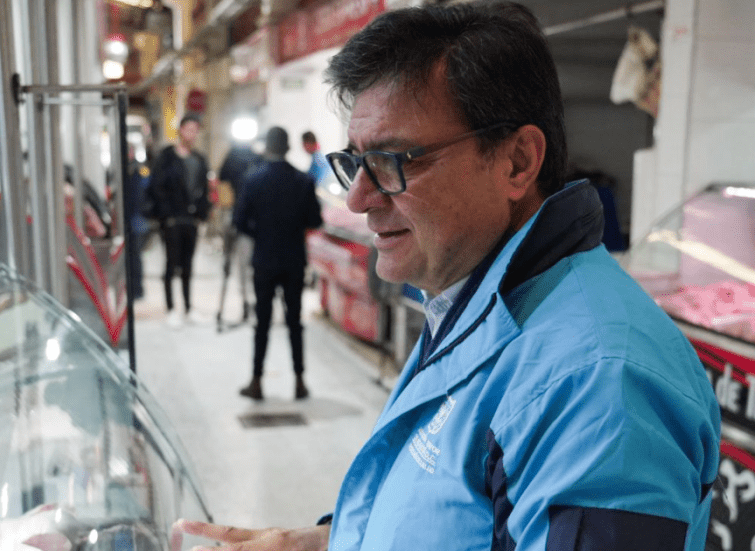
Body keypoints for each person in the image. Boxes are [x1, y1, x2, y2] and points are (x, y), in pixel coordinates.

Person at [178, 3, 720, 550]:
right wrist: (323, 542)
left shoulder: (597, 384)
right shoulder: (478, 299)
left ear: (516, 161)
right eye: (355, 163)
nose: (359, 198)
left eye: (394, 160)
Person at [234, 126, 322, 401]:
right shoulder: (303, 180)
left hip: (264, 260)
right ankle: (299, 381)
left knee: (262, 322)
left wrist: (260, 232)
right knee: (295, 322)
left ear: (269, 147)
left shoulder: (253, 180)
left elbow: (239, 221)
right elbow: (315, 220)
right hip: (294, 259)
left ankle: (257, 381)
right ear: (287, 148)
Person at [148, 113, 211, 327]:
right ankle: (171, 308)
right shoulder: (167, 157)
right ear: (181, 130)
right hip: (172, 219)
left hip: (191, 220)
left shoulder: (200, 159)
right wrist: (165, 214)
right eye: (188, 129)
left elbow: (204, 190)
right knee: (170, 264)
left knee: (188, 265)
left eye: (195, 130)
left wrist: (202, 213)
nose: (192, 134)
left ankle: (188, 307)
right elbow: (157, 186)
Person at [217, 138, 261, 324]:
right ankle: (246, 301)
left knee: (258, 266)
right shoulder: (233, 157)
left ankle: (257, 302)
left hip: (260, 220)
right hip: (241, 220)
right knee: (243, 263)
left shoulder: (259, 158)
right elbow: (222, 176)